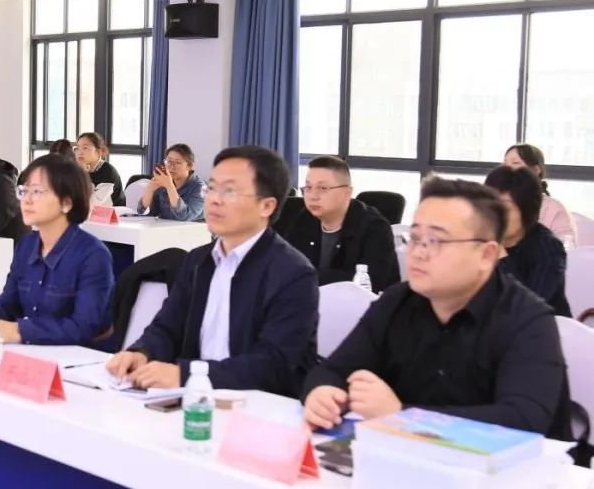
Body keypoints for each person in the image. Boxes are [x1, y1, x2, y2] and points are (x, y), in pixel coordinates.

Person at [302, 178, 570, 439]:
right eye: (415, 238)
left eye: (436, 241)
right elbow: (332, 370)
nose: (418, 253)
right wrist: (322, 393)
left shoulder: (528, 320)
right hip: (406, 457)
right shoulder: (397, 302)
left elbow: (522, 421)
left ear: (486, 255)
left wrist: (402, 417)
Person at [106, 146, 319, 394]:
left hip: (258, 405)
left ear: (267, 206)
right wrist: (142, 352)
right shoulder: (197, 261)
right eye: (212, 188)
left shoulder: (293, 274)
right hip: (194, 400)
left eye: (230, 191)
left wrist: (185, 375)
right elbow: (167, 327)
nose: (214, 200)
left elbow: (273, 366)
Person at [0, 154, 115, 344]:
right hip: (34, 350)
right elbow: (9, 306)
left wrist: (19, 330)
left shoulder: (92, 254)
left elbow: (85, 326)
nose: (26, 200)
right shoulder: (27, 245)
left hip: (79, 357)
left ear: (66, 202)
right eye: (24, 191)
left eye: (37, 192)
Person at [280, 155, 399, 293]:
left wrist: (304, 276)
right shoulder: (305, 218)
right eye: (308, 187)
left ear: (347, 193)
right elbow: (285, 265)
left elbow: (370, 282)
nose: (313, 196)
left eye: (323, 188)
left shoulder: (375, 228)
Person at [484, 166, 571, 317]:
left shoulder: (549, 248)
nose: (497, 215)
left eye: (505, 208)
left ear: (526, 209)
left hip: (544, 327)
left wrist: (501, 255)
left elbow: (529, 307)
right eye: (492, 207)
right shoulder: (480, 240)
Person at [504, 144, 578, 244]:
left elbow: (567, 246)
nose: (507, 169)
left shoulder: (554, 208)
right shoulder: (495, 204)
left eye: (515, 163)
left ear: (536, 170)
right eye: (505, 164)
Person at [137, 144, 205, 222]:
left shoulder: (200, 188)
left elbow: (185, 217)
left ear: (189, 166)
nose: (172, 166)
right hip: (166, 228)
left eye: (178, 162)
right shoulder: (163, 184)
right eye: (169, 161)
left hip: (193, 229)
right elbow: (145, 213)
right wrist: (150, 190)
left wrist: (169, 186)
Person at [74, 132, 124, 206]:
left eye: (85, 148)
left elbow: (93, 203)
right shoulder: (77, 169)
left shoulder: (108, 171)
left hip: (115, 211)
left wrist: (83, 176)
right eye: (77, 148)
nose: (80, 152)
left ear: (98, 152)